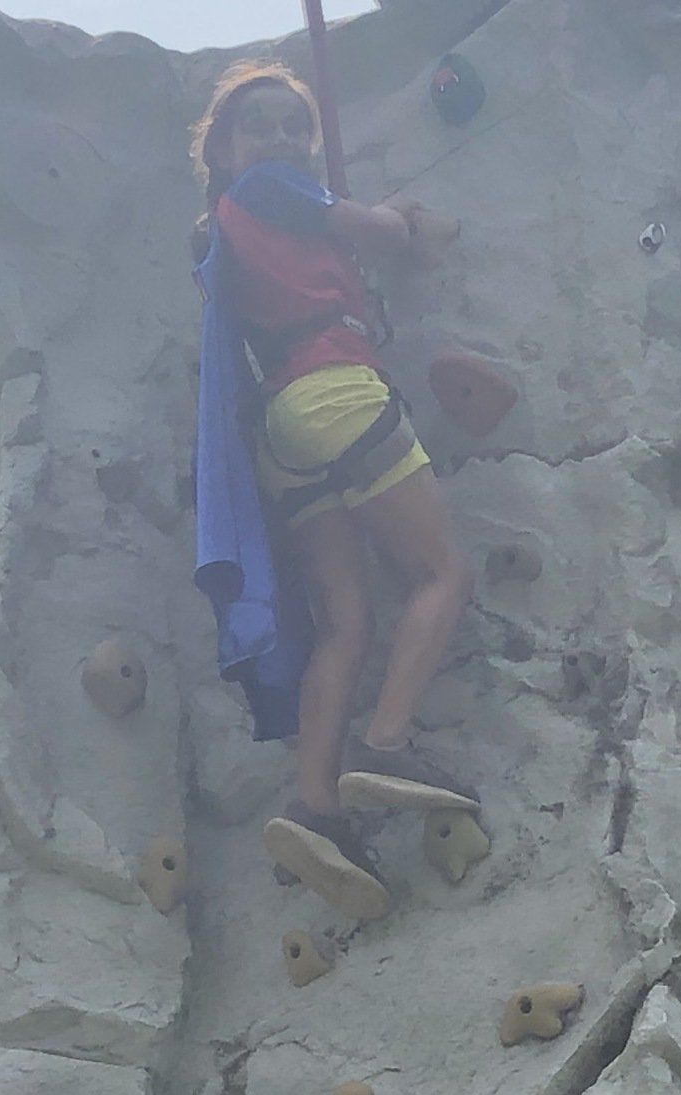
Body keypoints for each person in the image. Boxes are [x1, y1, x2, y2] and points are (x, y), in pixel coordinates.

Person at [190, 63, 478, 921]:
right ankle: (386, 744)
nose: (280, 140)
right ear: (226, 150)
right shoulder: (277, 189)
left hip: (284, 430)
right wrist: (412, 226)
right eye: (261, 125)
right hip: (338, 391)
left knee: (345, 622)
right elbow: (375, 226)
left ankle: (315, 804)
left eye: (295, 127)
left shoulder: (223, 232)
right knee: (441, 575)